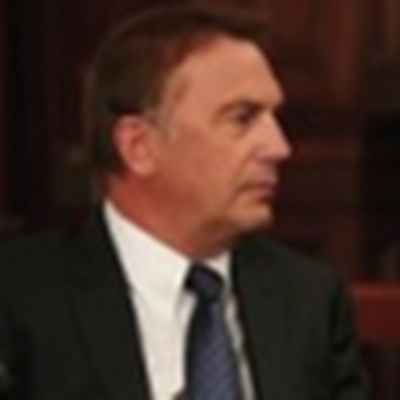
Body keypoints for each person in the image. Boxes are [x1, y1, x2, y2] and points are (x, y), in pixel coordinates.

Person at [0, 6, 367, 400]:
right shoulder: (18, 298)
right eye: (242, 118)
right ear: (139, 147)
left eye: (275, 118)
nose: (278, 147)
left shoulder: (310, 300)